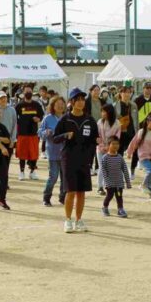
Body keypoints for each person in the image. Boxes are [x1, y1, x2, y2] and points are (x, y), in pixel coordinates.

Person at [54, 88, 98, 233]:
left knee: (81, 192)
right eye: (77, 100)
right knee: (71, 191)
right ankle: (68, 220)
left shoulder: (90, 120)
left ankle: (79, 220)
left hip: (84, 160)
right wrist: (65, 135)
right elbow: (55, 138)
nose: (80, 102)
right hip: (68, 159)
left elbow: (94, 139)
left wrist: (96, 143)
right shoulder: (65, 119)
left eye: (82, 99)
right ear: (72, 102)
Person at [40, 96, 67, 206]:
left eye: (62, 104)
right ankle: (46, 197)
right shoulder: (48, 118)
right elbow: (40, 132)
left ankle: (63, 197)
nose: (60, 106)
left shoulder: (67, 118)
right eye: (57, 104)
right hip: (53, 152)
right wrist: (46, 132)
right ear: (52, 106)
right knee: (54, 176)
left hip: (65, 152)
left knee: (65, 177)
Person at [127, 114, 151, 202]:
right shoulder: (141, 132)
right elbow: (133, 142)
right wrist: (129, 152)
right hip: (143, 156)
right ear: (148, 122)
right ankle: (143, 185)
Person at [15, 88, 44, 181]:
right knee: (22, 154)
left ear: (32, 93)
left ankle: (32, 172)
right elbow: (14, 117)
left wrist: (39, 119)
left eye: (30, 92)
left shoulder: (36, 104)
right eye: (26, 92)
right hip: (22, 133)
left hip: (33, 133)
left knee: (33, 153)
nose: (28, 93)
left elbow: (41, 115)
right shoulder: (19, 105)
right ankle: (21, 172)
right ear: (23, 93)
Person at [100, 137, 132, 218]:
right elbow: (103, 171)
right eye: (113, 144)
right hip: (109, 182)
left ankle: (120, 209)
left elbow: (125, 169)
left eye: (117, 144)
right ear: (108, 145)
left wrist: (128, 182)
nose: (115, 146)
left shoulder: (120, 157)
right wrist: (107, 182)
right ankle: (105, 207)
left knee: (119, 196)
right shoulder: (105, 158)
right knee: (109, 195)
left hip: (119, 182)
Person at [96, 104, 121, 195]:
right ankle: (100, 187)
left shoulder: (117, 123)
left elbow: (117, 137)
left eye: (104, 111)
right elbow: (97, 135)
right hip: (100, 148)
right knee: (102, 167)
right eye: (102, 111)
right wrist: (102, 146)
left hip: (112, 149)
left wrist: (110, 147)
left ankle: (108, 185)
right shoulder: (99, 122)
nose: (103, 113)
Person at [0, 91, 18, 187]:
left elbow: (14, 125)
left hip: (8, 140)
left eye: (4, 97)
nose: (3, 99)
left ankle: (4, 182)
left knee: (6, 162)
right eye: (1, 98)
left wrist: (13, 140)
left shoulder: (12, 110)